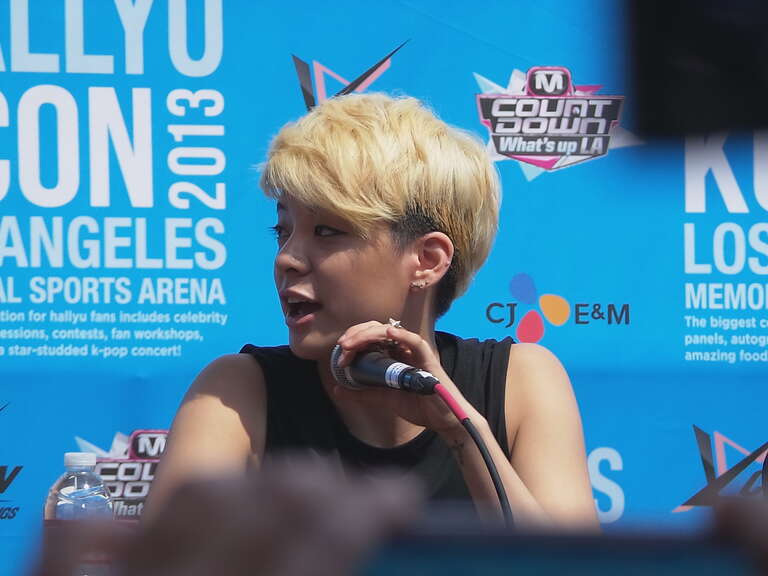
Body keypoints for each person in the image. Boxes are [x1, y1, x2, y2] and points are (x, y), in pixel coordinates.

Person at [144, 92, 599, 528]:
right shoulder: (236, 391)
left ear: (427, 260)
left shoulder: (521, 380)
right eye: (282, 231)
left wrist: (461, 432)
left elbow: (571, 566)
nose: (286, 258)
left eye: (326, 231)